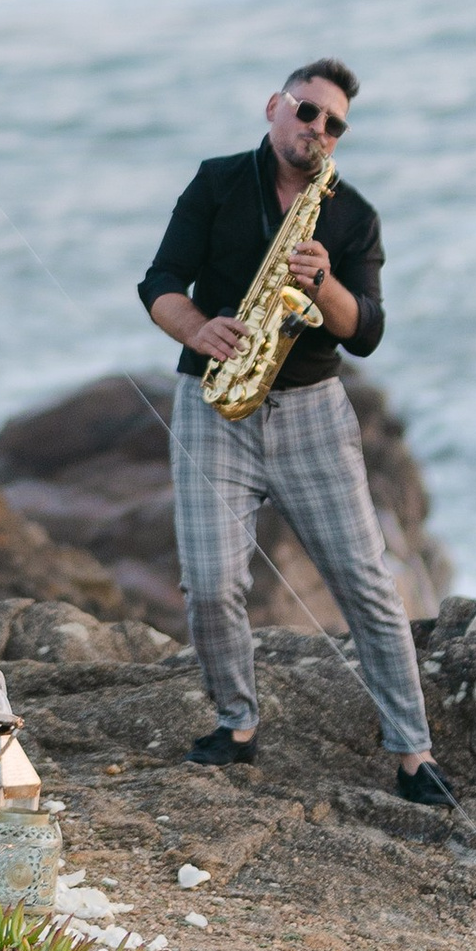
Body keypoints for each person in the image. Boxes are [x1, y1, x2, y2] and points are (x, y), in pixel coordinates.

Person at [141, 58, 455, 806]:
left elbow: (366, 332)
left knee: (368, 585)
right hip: (213, 403)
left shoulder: (351, 216)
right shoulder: (216, 183)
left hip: (312, 412)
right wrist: (198, 326)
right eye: (307, 111)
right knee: (211, 585)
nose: (317, 129)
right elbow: (158, 284)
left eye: (333, 124)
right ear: (274, 107)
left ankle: (413, 755)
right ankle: (236, 726)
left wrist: (326, 285)